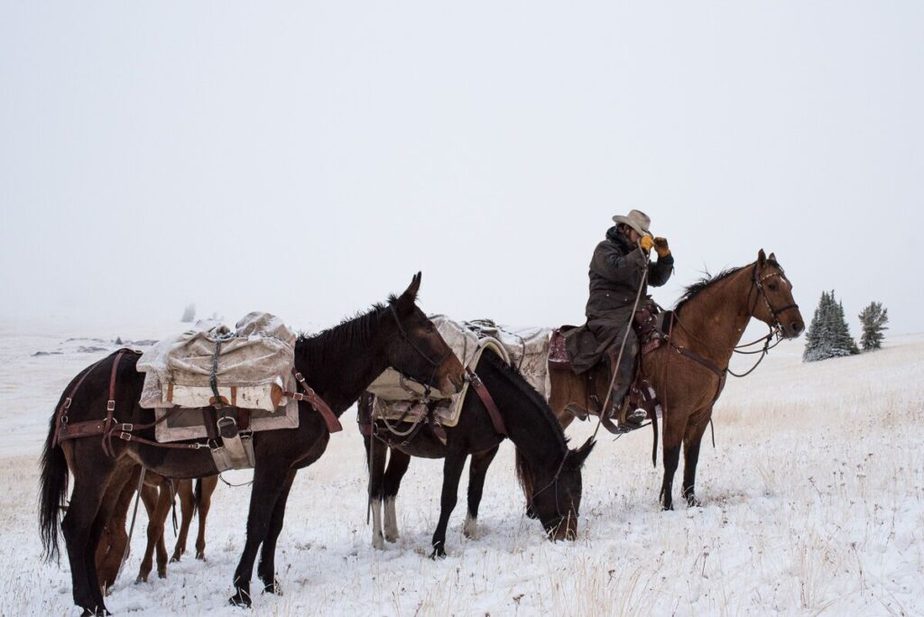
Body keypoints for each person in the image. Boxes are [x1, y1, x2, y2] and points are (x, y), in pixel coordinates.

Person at [567, 210, 674, 428]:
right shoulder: (605, 250)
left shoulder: (637, 256)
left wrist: (665, 258)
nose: (642, 239)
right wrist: (642, 251)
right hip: (606, 315)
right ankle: (615, 406)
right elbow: (618, 270)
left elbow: (656, 278)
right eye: (639, 234)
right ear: (626, 229)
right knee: (627, 343)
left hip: (631, 312)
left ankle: (651, 394)